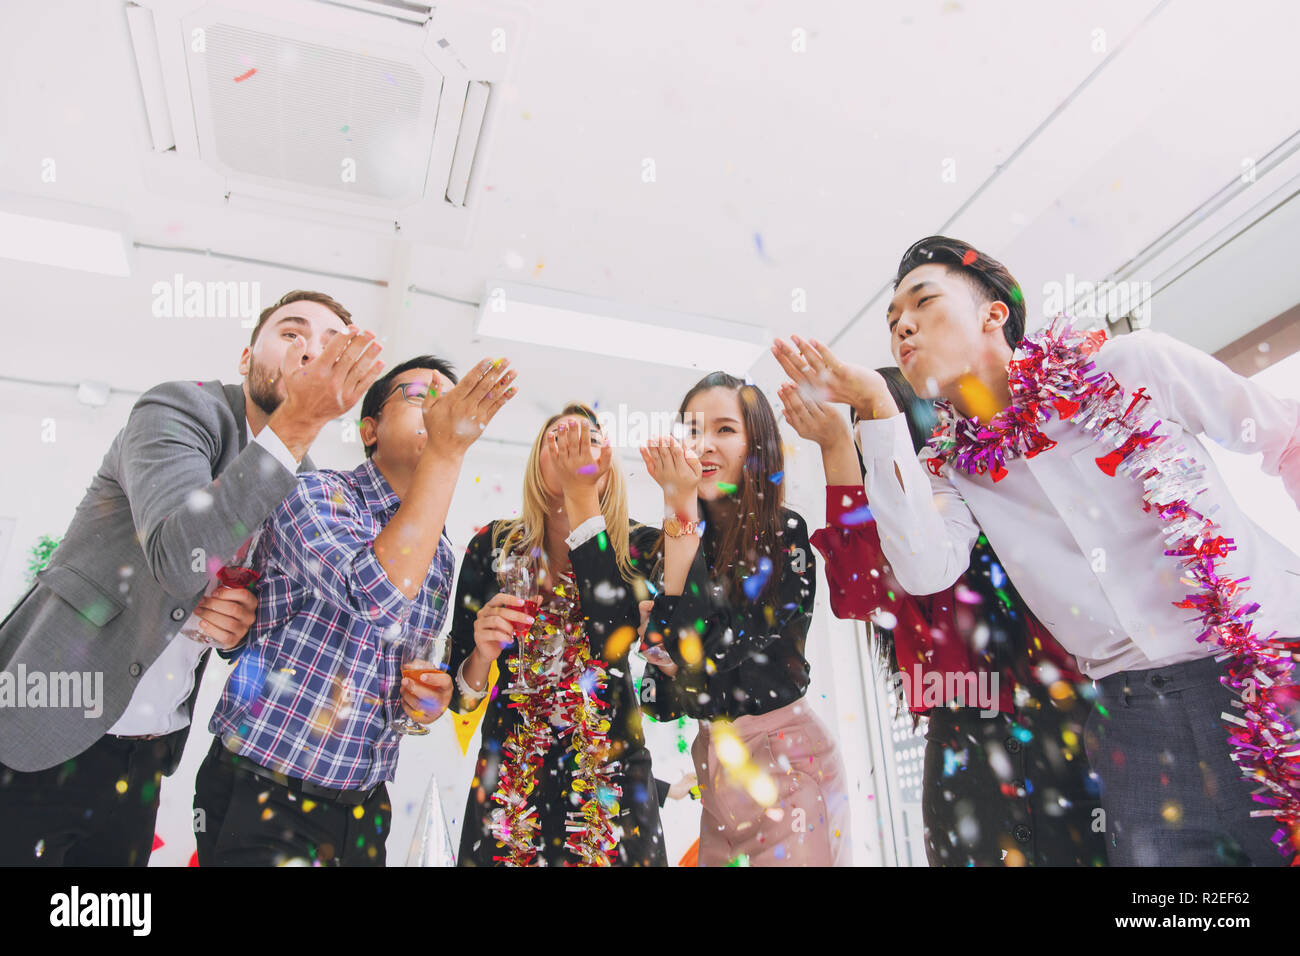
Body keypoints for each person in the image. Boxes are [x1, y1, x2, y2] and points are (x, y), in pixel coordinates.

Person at [773, 235, 1300, 866]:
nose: (902, 327)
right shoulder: (949, 467)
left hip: (1264, 672)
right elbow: (922, 568)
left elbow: (1286, 438)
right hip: (1131, 717)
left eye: (922, 302)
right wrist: (877, 412)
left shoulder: (1130, 367)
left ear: (994, 313)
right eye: (891, 323)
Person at [0, 290, 381, 867]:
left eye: (331, 344)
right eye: (292, 333)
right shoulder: (180, 409)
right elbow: (180, 557)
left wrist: (237, 631)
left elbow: (261, 616)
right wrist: (298, 420)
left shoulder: (306, 481)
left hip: (146, 756)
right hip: (48, 723)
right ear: (246, 355)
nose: (310, 351)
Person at [194, 354, 515, 866]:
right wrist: (447, 453)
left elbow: (397, 676)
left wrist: (425, 703)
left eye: (447, 399)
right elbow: (378, 597)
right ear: (370, 430)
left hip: (364, 809)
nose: (438, 409)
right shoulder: (314, 495)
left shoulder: (443, 554)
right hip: (266, 791)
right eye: (419, 396)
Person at [780, 364, 1105, 866]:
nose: (872, 442)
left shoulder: (986, 489)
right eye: (864, 426)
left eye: (877, 421)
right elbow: (860, 595)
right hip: (963, 747)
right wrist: (836, 448)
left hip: (1061, 731)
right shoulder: (890, 534)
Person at [637, 372, 851, 866]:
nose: (704, 444)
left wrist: (675, 640)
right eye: (691, 430)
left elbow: (718, 650)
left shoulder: (783, 534)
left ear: (757, 446)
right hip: (713, 763)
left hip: (785, 763)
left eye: (725, 429)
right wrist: (671, 654)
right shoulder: (673, 541)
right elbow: (661, 702)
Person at [448, 404, 667, 866]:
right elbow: (461, 698)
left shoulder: (641, 548)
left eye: (587, 439)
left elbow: (613, 637)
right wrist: (481, 658)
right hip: (509, 784)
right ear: (534, 460)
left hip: (609, 779)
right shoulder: (492, 547)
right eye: (558, 437)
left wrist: (581, 500)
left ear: (607, 465)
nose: (571, 446)